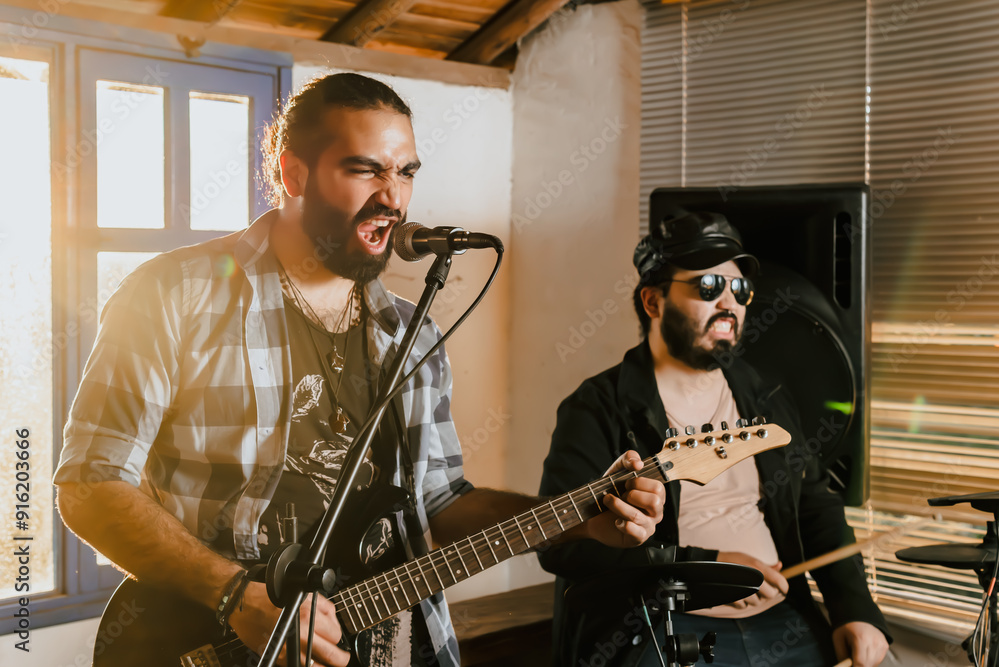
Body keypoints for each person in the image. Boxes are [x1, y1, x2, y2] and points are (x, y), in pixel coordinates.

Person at [53, 73, 666, 667]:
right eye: (365, 169)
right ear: (294, 173)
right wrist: (234, 594)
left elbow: (441, 503)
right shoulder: (174, 296)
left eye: (404, 173)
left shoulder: (409, 330)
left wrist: (579, 518)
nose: (393, 197)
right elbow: (90, 485)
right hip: (206, 642)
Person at [538, 211, 891, 667]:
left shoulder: (766, 397)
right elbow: (562, 545)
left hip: (781, 618)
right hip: (663, 627)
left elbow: (814, 507)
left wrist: (855, 611)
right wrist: (708, 566)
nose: (730, 303)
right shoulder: (597, 407)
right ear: (653, 302)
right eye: (708, 288)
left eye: (740, 290)